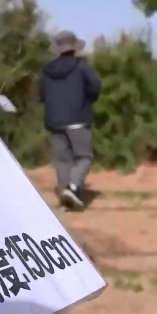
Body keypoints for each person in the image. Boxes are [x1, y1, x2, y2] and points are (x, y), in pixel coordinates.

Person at [39, 30, 101, 211]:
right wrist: (86, 99)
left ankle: (65, 201)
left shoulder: (46, 70)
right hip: (77, 119)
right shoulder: (81, 66)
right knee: (84, 157)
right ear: (74, 48)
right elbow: (95, 86)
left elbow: (42, 95)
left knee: (62, 161)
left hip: (54, 121)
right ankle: (73, 188)